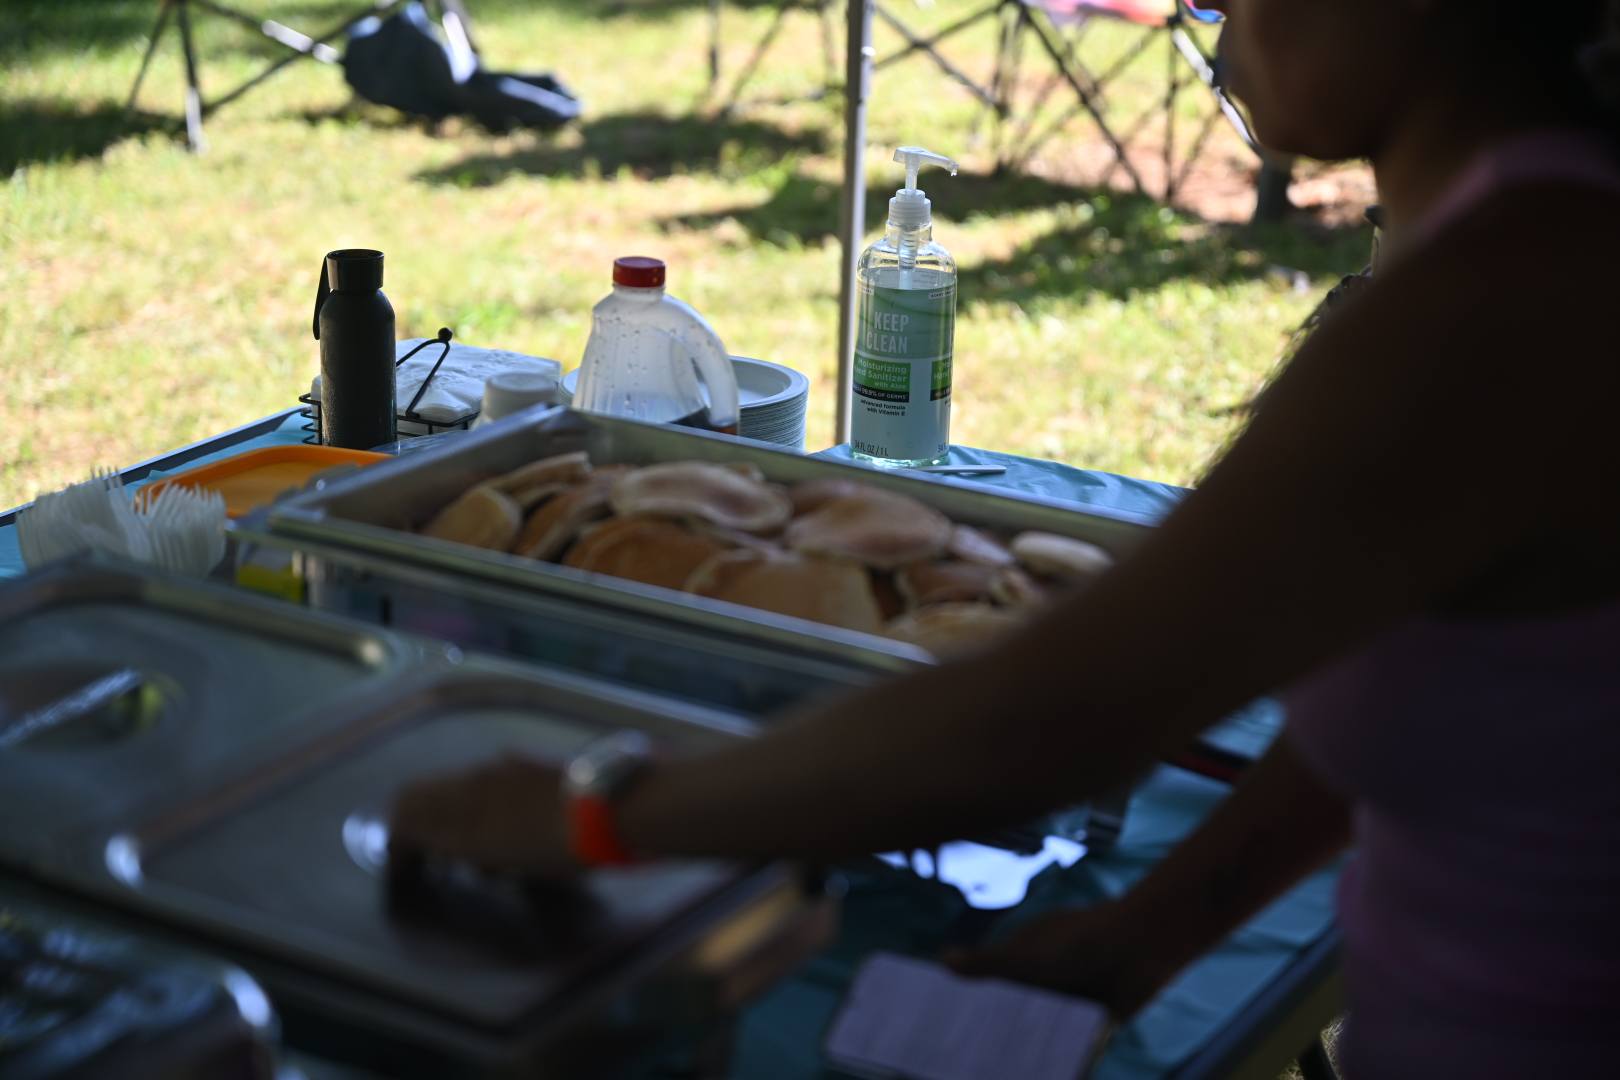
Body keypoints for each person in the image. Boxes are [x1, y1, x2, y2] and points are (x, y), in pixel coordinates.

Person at [391, 1, 1620, 1074]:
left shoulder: (1503, 299)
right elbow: (1414, 675)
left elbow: (1041, 721)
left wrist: (604, 814)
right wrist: (1150, 929)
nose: (1211, 18)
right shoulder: (1508, 237)